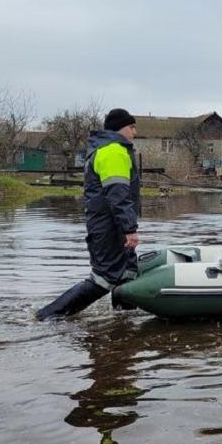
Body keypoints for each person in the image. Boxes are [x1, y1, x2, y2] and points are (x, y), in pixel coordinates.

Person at [36, 108, 141, 320]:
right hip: (109, 227)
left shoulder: (107, 149)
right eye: (132, 126)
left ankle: (123, 321)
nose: (135, 132)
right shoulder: (113, 151)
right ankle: (49, 316)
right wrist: (130, 228)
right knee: (105, 278)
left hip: (111, 225)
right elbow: (118, 195)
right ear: (120, 128)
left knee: (127, 273)